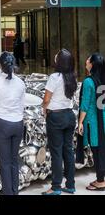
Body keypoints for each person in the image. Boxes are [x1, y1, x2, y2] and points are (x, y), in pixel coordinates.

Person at [0, 51, 25, 195]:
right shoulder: (20, 83)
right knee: (14, 160)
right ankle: (15, 190)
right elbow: (22, 106)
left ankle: (8, 193)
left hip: (2, 125)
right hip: (18, 124)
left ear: (0, 65)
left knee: (5, 162)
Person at [42, 49, 77, 195]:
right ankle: (70, 185)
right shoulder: (72, 77)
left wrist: (44, 109)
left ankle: (56, 187)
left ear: (59, 62)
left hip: (56, 117)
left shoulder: (54, 77)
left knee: (56, 152)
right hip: (69, 116)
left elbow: (46, 99)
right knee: (68, 151)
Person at [78, 53, 105, 192]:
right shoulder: (102, 79)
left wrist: (80, 122)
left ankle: (101, 181)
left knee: (97, 150)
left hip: (94, 122)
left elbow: (85, 104)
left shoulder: (89, 81)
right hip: (103, 119)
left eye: (88, 59)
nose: (86, 60)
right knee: (102, 149)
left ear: (92, 64)